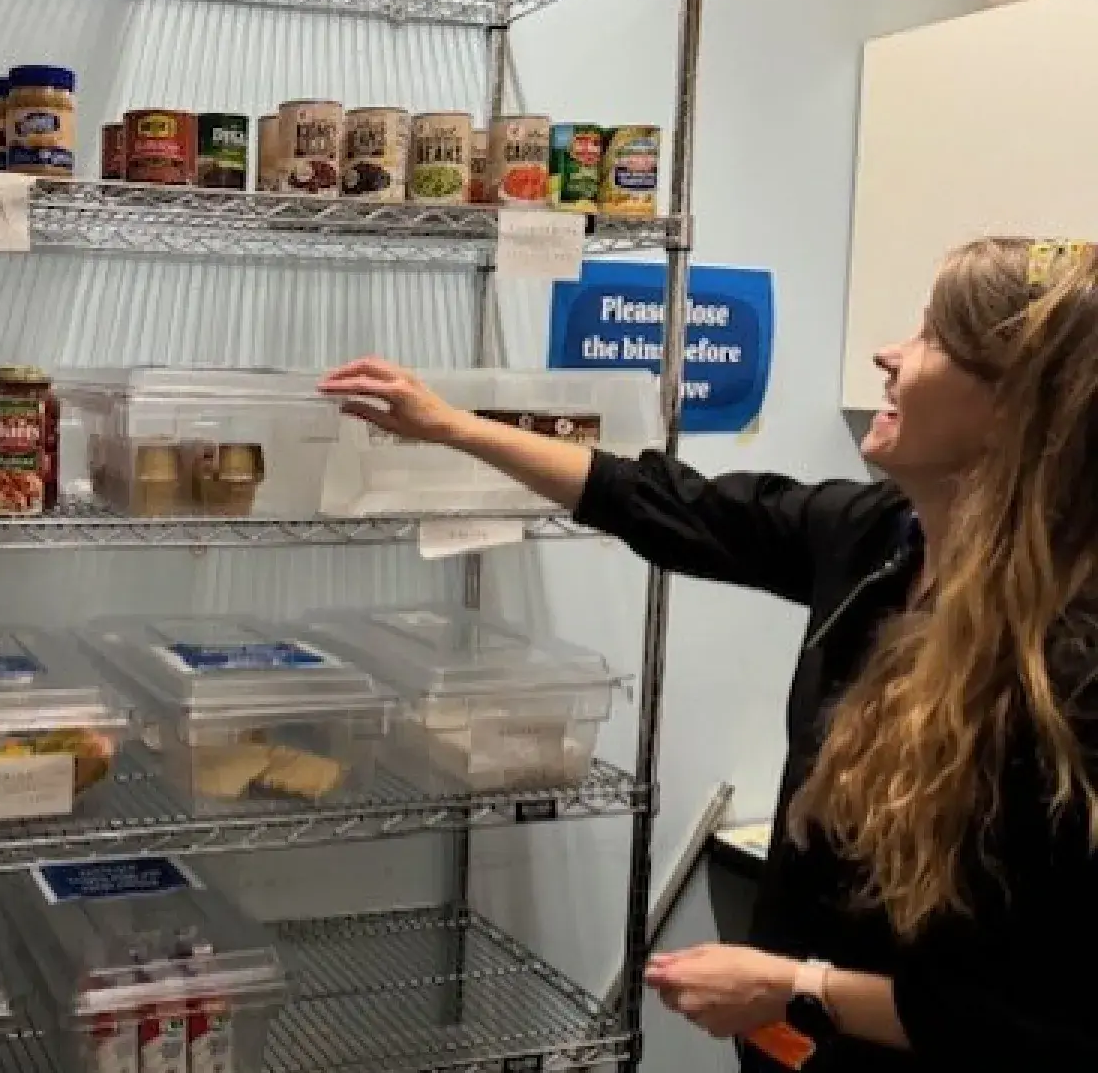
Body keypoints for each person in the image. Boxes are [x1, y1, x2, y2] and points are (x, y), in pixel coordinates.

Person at [318, 237, 1098, 1071]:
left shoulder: (1071, 671)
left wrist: (800, 987)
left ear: (1016, 407)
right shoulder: (876, 540)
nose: (890, 351)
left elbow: (1048, 1019)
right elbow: (662, 502)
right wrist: (452, 427)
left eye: (935, 337)